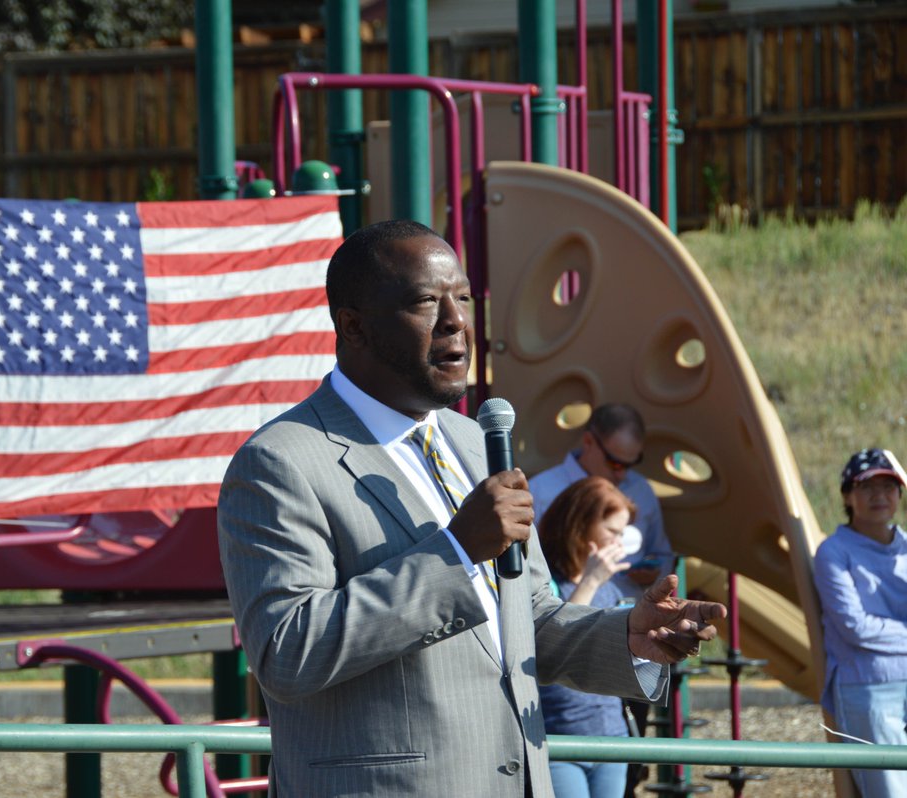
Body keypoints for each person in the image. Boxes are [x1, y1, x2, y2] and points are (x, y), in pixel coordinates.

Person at [217, 219, 726, 797]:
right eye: (426, 301)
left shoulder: (474, 442)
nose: (456, 320)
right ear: (353, 326)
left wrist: (627, 636)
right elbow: (288, 652)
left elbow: (528, 617)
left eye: (461, 297)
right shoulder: (280, 463)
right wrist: (456, 552)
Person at [813, 447, 907, 798]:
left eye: (889, 486)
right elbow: (855, 626)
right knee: (889, 791)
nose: (879, 496)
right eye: (867, 487)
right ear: (848, 496)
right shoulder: (834, 552)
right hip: (868, 689)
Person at [537, 476, 635, 798]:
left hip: (611, 738)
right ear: (581, 525)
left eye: (622, 534)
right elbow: (554, 640)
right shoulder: (544, 581)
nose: (617, 543)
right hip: (559, 738)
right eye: (611, 531)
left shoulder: (611, 587)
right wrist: (590, 581)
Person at [529, 403, 673, 601]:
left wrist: (654, 573)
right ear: (588, 441)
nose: (622, 474)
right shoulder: (540, 490)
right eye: (615, 463)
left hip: (630, 610)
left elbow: (662, 554)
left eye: (630, 464)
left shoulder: (641, 489)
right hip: (567, 608)